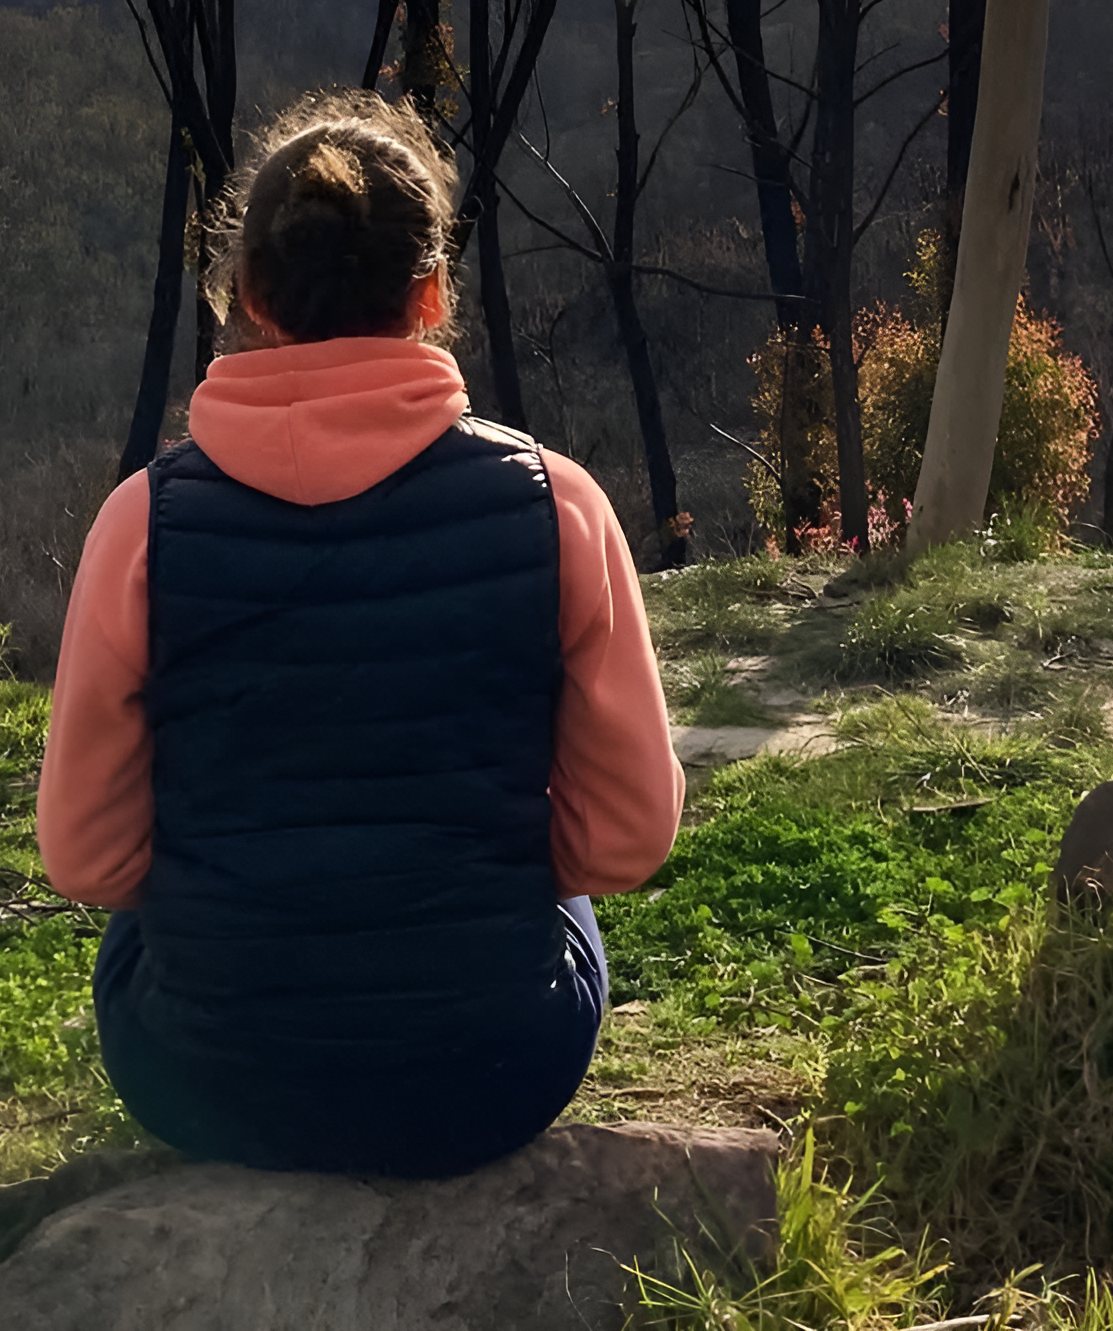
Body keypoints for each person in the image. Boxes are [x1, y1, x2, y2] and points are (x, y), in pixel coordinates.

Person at [37, 91, 685, 1178]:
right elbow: (627, 839)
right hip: (492, 1075)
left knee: (142, 933)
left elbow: (87, 860)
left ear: (245, 293)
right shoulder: (554, 504)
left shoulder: (139, 527)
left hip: (202, 1082)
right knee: (555, 893)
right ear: (431, 293)